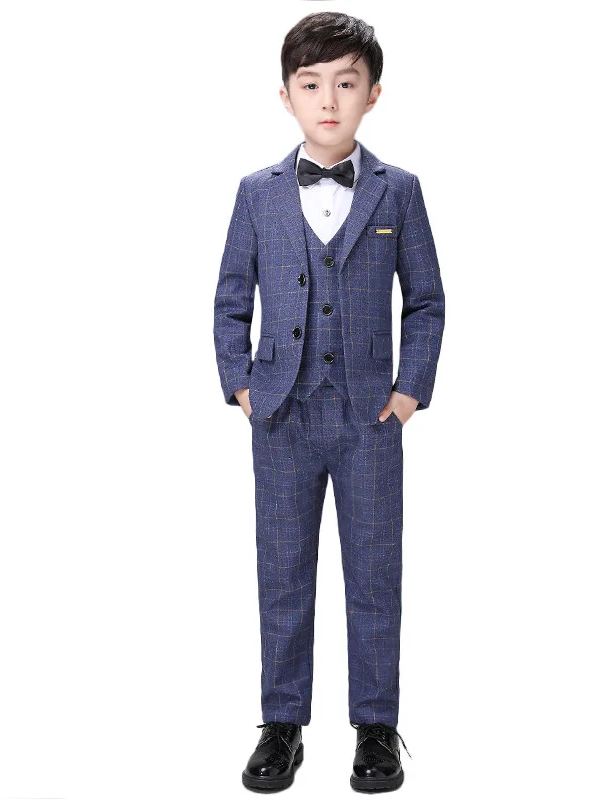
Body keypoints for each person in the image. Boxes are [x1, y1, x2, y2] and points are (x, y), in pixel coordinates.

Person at [213, 11, 446, 792]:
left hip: (370, 416)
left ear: (372, 94)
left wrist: (409, 391)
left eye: (346, 83)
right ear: (285, 95)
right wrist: (241, 383)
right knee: (282, 573)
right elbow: (229, 298)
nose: (328, 100)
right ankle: (281, 726)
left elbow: (426, 301)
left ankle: (376, 728)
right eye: (311, 84)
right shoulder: (257, 193)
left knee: (375, 574)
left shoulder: (398, 191)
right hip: (279, 412)